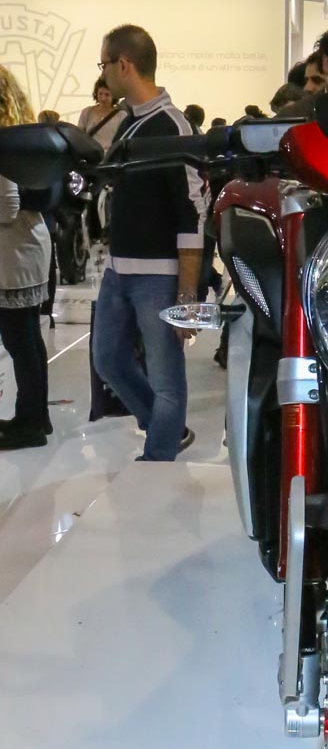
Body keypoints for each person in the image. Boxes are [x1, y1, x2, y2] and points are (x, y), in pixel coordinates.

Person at [91, 23, 206, 461]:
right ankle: (164, 429)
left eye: (104, 64)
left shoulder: (172, 125)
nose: (103, 74)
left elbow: (193, 212)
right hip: (118, 270)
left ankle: (159, 458)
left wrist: (187, 296)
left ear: (124, 65)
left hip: (158, 277)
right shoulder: (129, 123)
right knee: (108, 360)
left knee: (166, 380)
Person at [0, 65, 53, 450]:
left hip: (14, 252)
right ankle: (35, 416)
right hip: (27, 245)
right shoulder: (21, 136)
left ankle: (30, 423)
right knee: (28, 339)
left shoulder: (4, 141)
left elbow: (7, 206)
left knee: (20, 340)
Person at [78, 76, 125, 149]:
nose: (103, 98)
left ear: (114, 96)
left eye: (107, 95)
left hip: (110, 154)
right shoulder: (87, 112)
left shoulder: (121, 115)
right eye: (100, 94)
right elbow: (79, 135)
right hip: (90, 152)